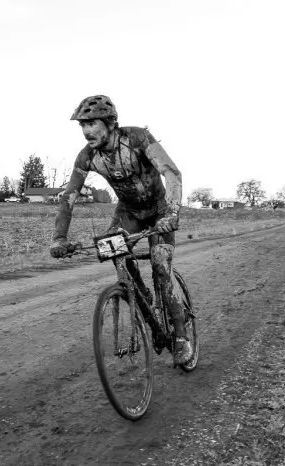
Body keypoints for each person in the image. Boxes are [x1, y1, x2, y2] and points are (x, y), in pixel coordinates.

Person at [49, 95, 192, 365]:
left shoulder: (138, 138)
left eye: (92, 123)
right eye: (82, 125)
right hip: (128, 212)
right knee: (115, 252)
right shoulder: (88, 156)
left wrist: (172, 214)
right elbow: (69, 197)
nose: (86, 131)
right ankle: (142, 296)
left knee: (161, 267)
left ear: (111, 123)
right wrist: (59, 239)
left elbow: (172, 174)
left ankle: (182, 339)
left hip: (160, 209)